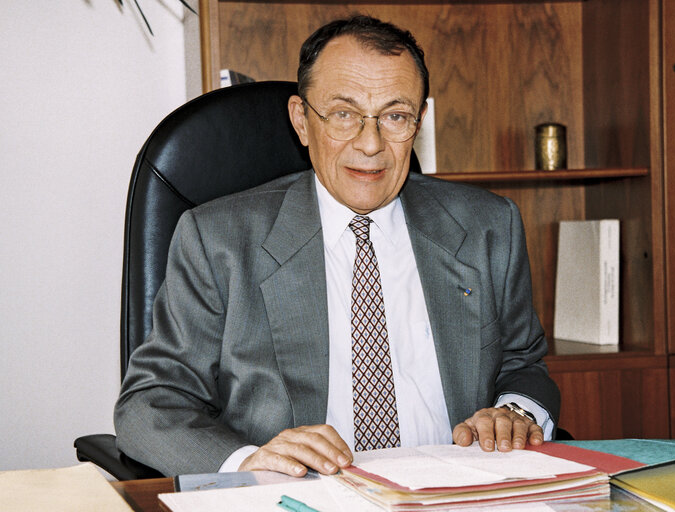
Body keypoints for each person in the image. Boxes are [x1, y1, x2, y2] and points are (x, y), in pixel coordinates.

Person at [114, 15, 560, 478]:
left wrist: (518, 412)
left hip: (454, 492)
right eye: (344, 114)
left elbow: (522, 363)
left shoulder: (488, 226)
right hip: (297, 497)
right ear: (302, 121)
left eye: (394, 116)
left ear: (419, 122)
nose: (370, 144)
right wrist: (248, 462)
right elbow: (150, 403)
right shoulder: (218, 241)